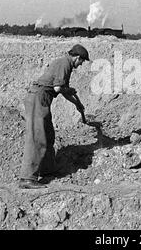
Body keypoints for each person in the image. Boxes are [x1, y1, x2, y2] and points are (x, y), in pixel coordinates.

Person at [19, 44, 90, 189]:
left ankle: (47, 170)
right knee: (37, 137)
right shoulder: (64, 63)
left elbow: (62, 90)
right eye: (82, 61)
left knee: (48, 134)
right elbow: (59, 88)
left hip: (43, 99)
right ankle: (27, 178)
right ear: (77, 57)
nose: (81, 64)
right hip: (38, 98)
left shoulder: (66, 65)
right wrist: (70, 90)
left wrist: (76, 103)